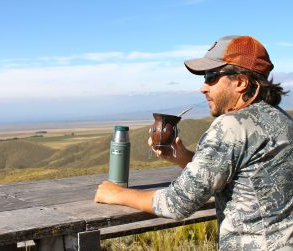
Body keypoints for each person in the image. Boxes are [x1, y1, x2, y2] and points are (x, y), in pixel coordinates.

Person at [95, 35, 293, 250]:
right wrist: (185, 158)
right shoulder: (282, 120)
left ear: (241, 82)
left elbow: (177, 204)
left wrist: (115, 193)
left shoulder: (231, 125)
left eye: (211, 76)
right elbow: (247, 175)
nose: (203, 87)